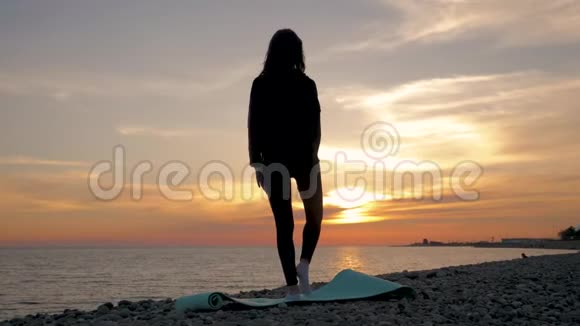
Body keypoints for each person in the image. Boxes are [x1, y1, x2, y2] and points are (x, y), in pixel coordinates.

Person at [247, 29, 323, 300]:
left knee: (286, 225)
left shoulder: (266, 83)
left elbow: (253, 125)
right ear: (296, 53)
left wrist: (257, 163)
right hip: (295, 160)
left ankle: (295, 282)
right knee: (311, 219)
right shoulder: (301, 84)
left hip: (281, 161)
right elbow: (316, 128)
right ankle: (300, 272)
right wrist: (258, 163)